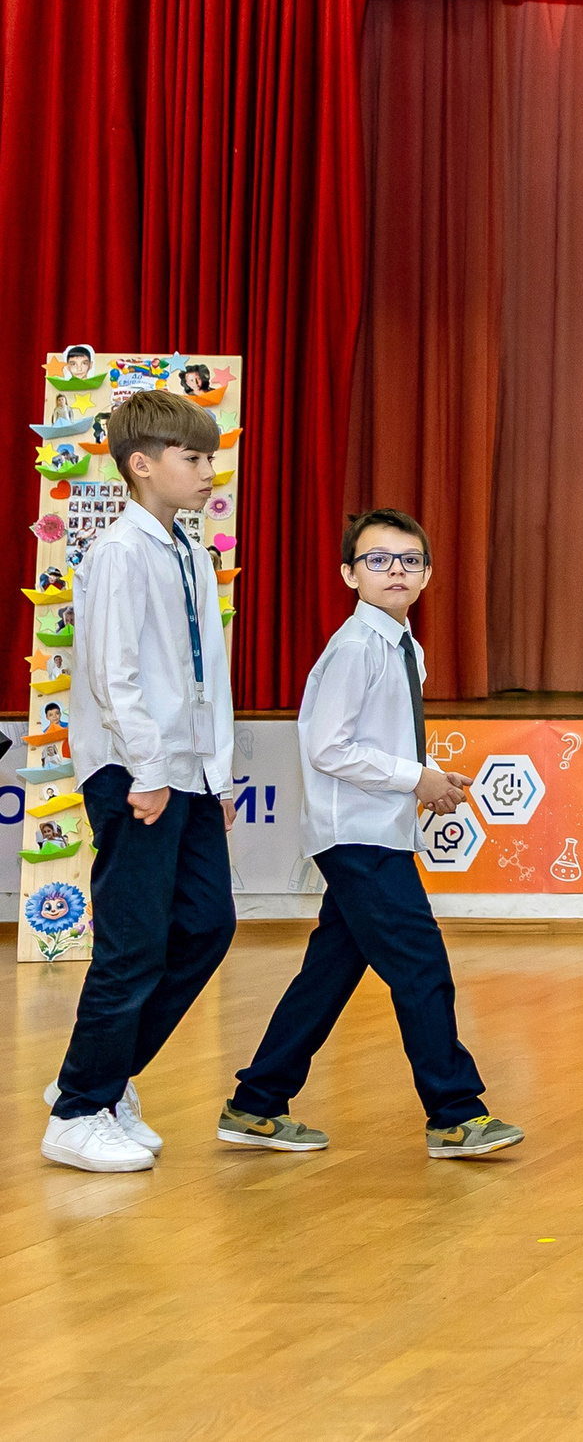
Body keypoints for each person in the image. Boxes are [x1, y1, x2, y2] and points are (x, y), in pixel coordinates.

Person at [220, 509, 524, 1159]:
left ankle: (257, 1100)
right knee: (421, 966)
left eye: (409, 559)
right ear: (349, 573)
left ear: (428, 574)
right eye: (378, 559)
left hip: (377, 830)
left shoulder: (402, 646)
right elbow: (329, 747)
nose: (395, 570)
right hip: (355, 836)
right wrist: (417, 778)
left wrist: (427, 778)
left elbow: (376, 742)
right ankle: (455, 1114)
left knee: (328, 975)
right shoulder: (356, 648)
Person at [40, 390, 234, 1173]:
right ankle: (79, 1110)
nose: (207, 473)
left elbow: (205, 670)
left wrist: (214, 773)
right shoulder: (118, 550)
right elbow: (114, 673)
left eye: (210, 458)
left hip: (186, 772)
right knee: (133, 943)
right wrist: (149, 772)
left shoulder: (187, 546)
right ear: (142, 464)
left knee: (207, 926)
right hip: (135, 772)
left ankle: (99, 1077)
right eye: (193, 458)